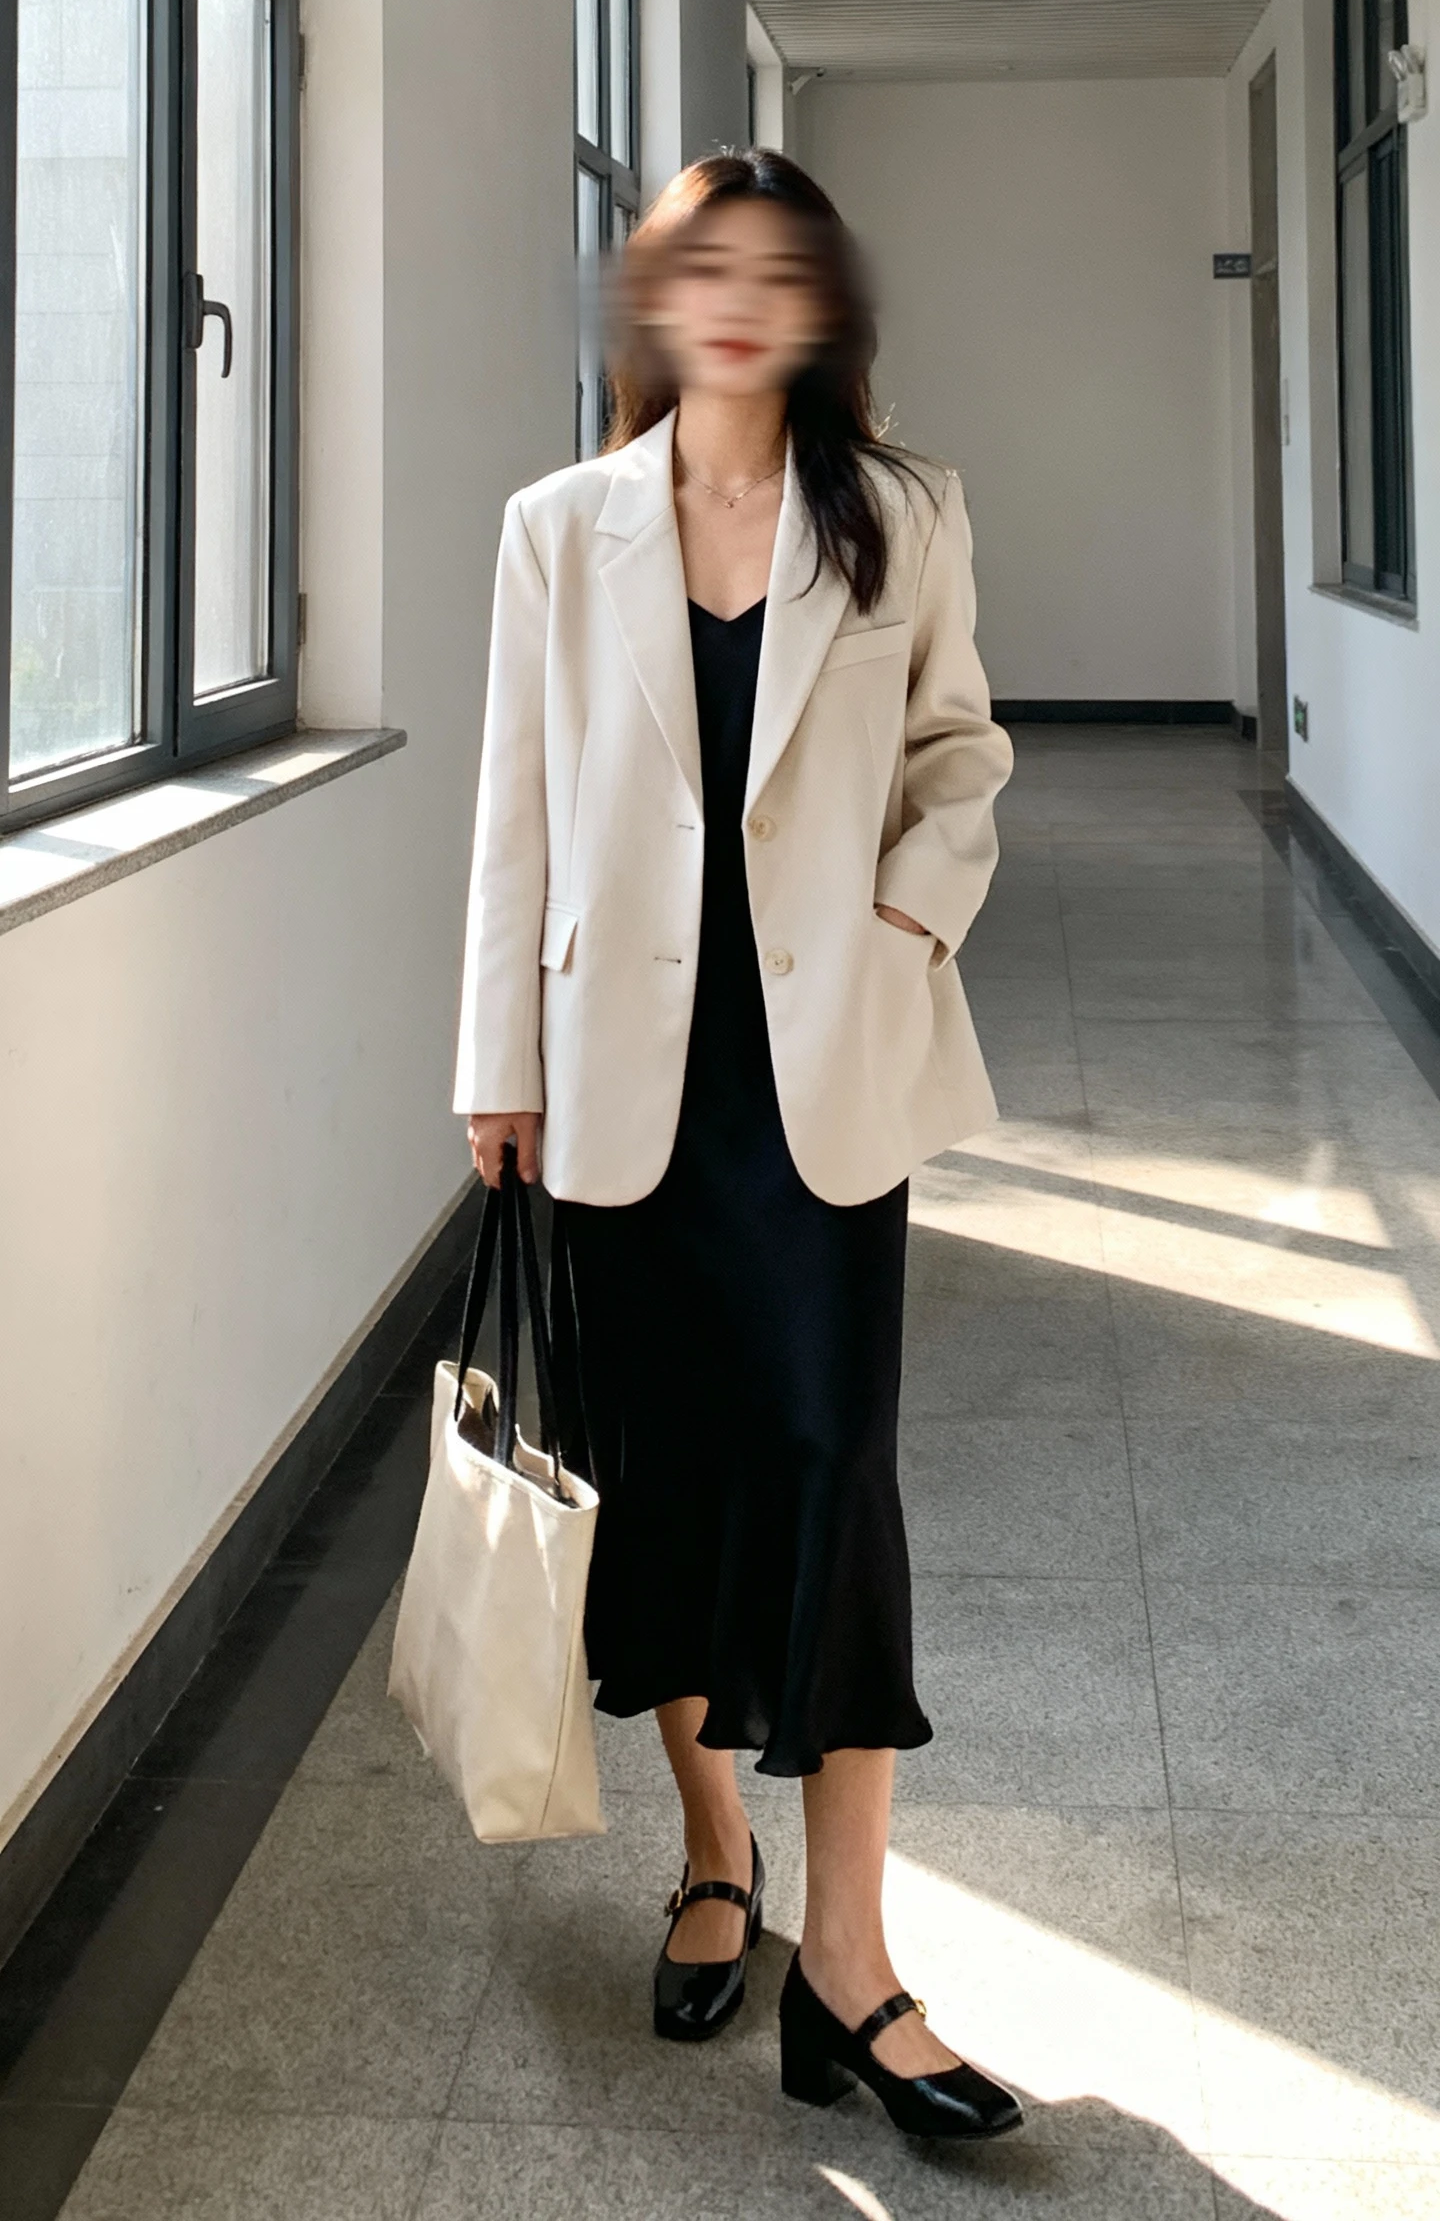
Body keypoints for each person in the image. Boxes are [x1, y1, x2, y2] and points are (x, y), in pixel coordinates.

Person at [454, 149, 1020, 2140]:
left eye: (778, 272)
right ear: (656, 299)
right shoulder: (559, 528)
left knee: (837, 1470)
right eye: (706, 268)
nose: (738, 302)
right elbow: (514, 810)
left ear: (821, 307)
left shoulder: (901, 517)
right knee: (670, 1478)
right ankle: (719, 1859)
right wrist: (491, 1062)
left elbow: (964, 752)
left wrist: (898, 915)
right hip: (623, 1085)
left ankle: (852, 1967)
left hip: (827, 1082)